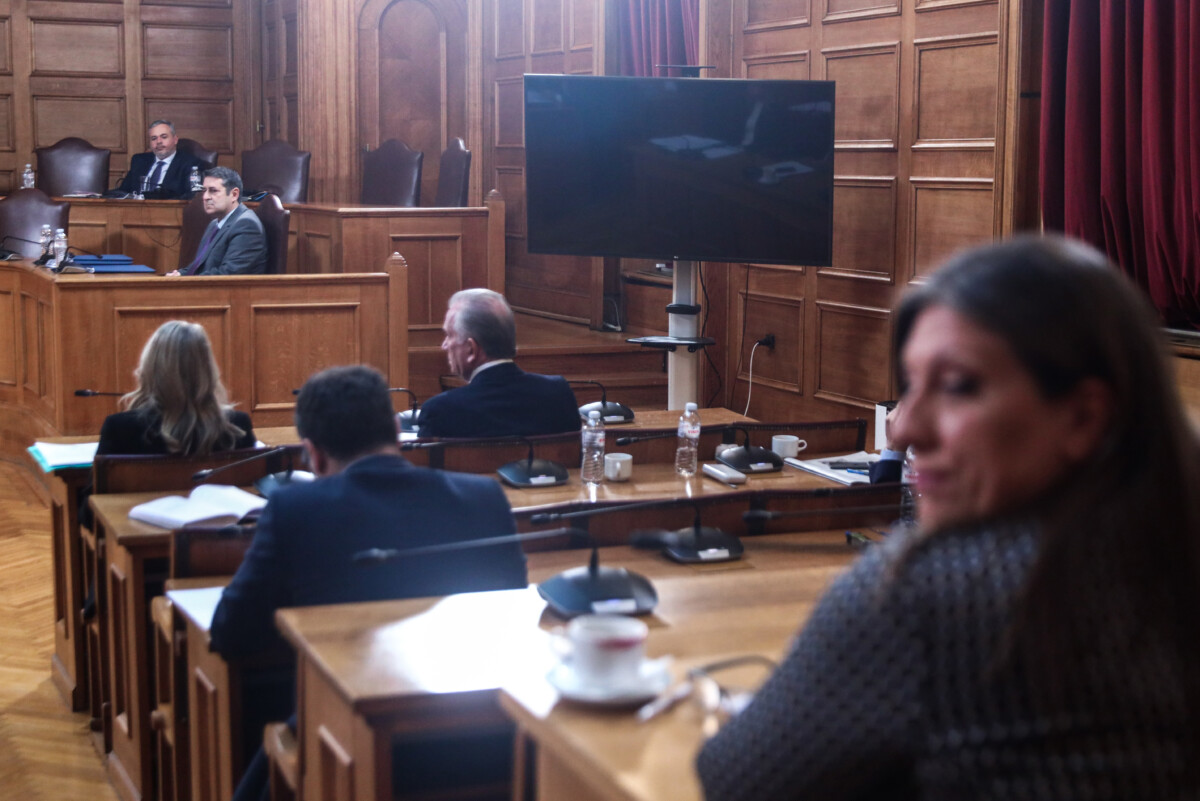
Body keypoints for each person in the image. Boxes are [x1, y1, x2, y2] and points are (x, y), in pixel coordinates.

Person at [697, 235, 1200, 799]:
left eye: (958, 386)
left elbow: (736, 782)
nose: (907, 428)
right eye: (912, 385)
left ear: (1083, 417)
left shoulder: (932, 592)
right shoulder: (1169, 555)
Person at [211, 364, 527, 801]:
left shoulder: (293, 509)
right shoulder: (484, 496)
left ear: (314, 454)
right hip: (492, 744)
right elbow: (513, 616)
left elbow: (230, 634)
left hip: (356, 750)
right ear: (396, 430)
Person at [416, 288, 581, 438]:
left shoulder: (441, 411)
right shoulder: (558, 393)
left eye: (449, 335)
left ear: (471, 349)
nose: (444, 345)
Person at [96, 319, 255, 457]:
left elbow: (99, 483)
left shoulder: (119, 428)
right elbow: (256, 480)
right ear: (206, 370)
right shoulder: (237, 425)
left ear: (150, 367)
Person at [167, 167, 267, 276]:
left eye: (213, 191)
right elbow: (199, 266)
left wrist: (185, 281)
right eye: (204, 190)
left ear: (234, 195)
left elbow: (228, 274)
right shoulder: (214, 224)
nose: (205, 197)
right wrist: (180, 275)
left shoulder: (246, 225)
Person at [112, 120, 204, 199]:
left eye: (164, 137)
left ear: (175, 140)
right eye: (154, 138)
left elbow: (191, 196)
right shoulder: (139, 161)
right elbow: (123, 191)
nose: (158, 142)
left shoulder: (190, 163)